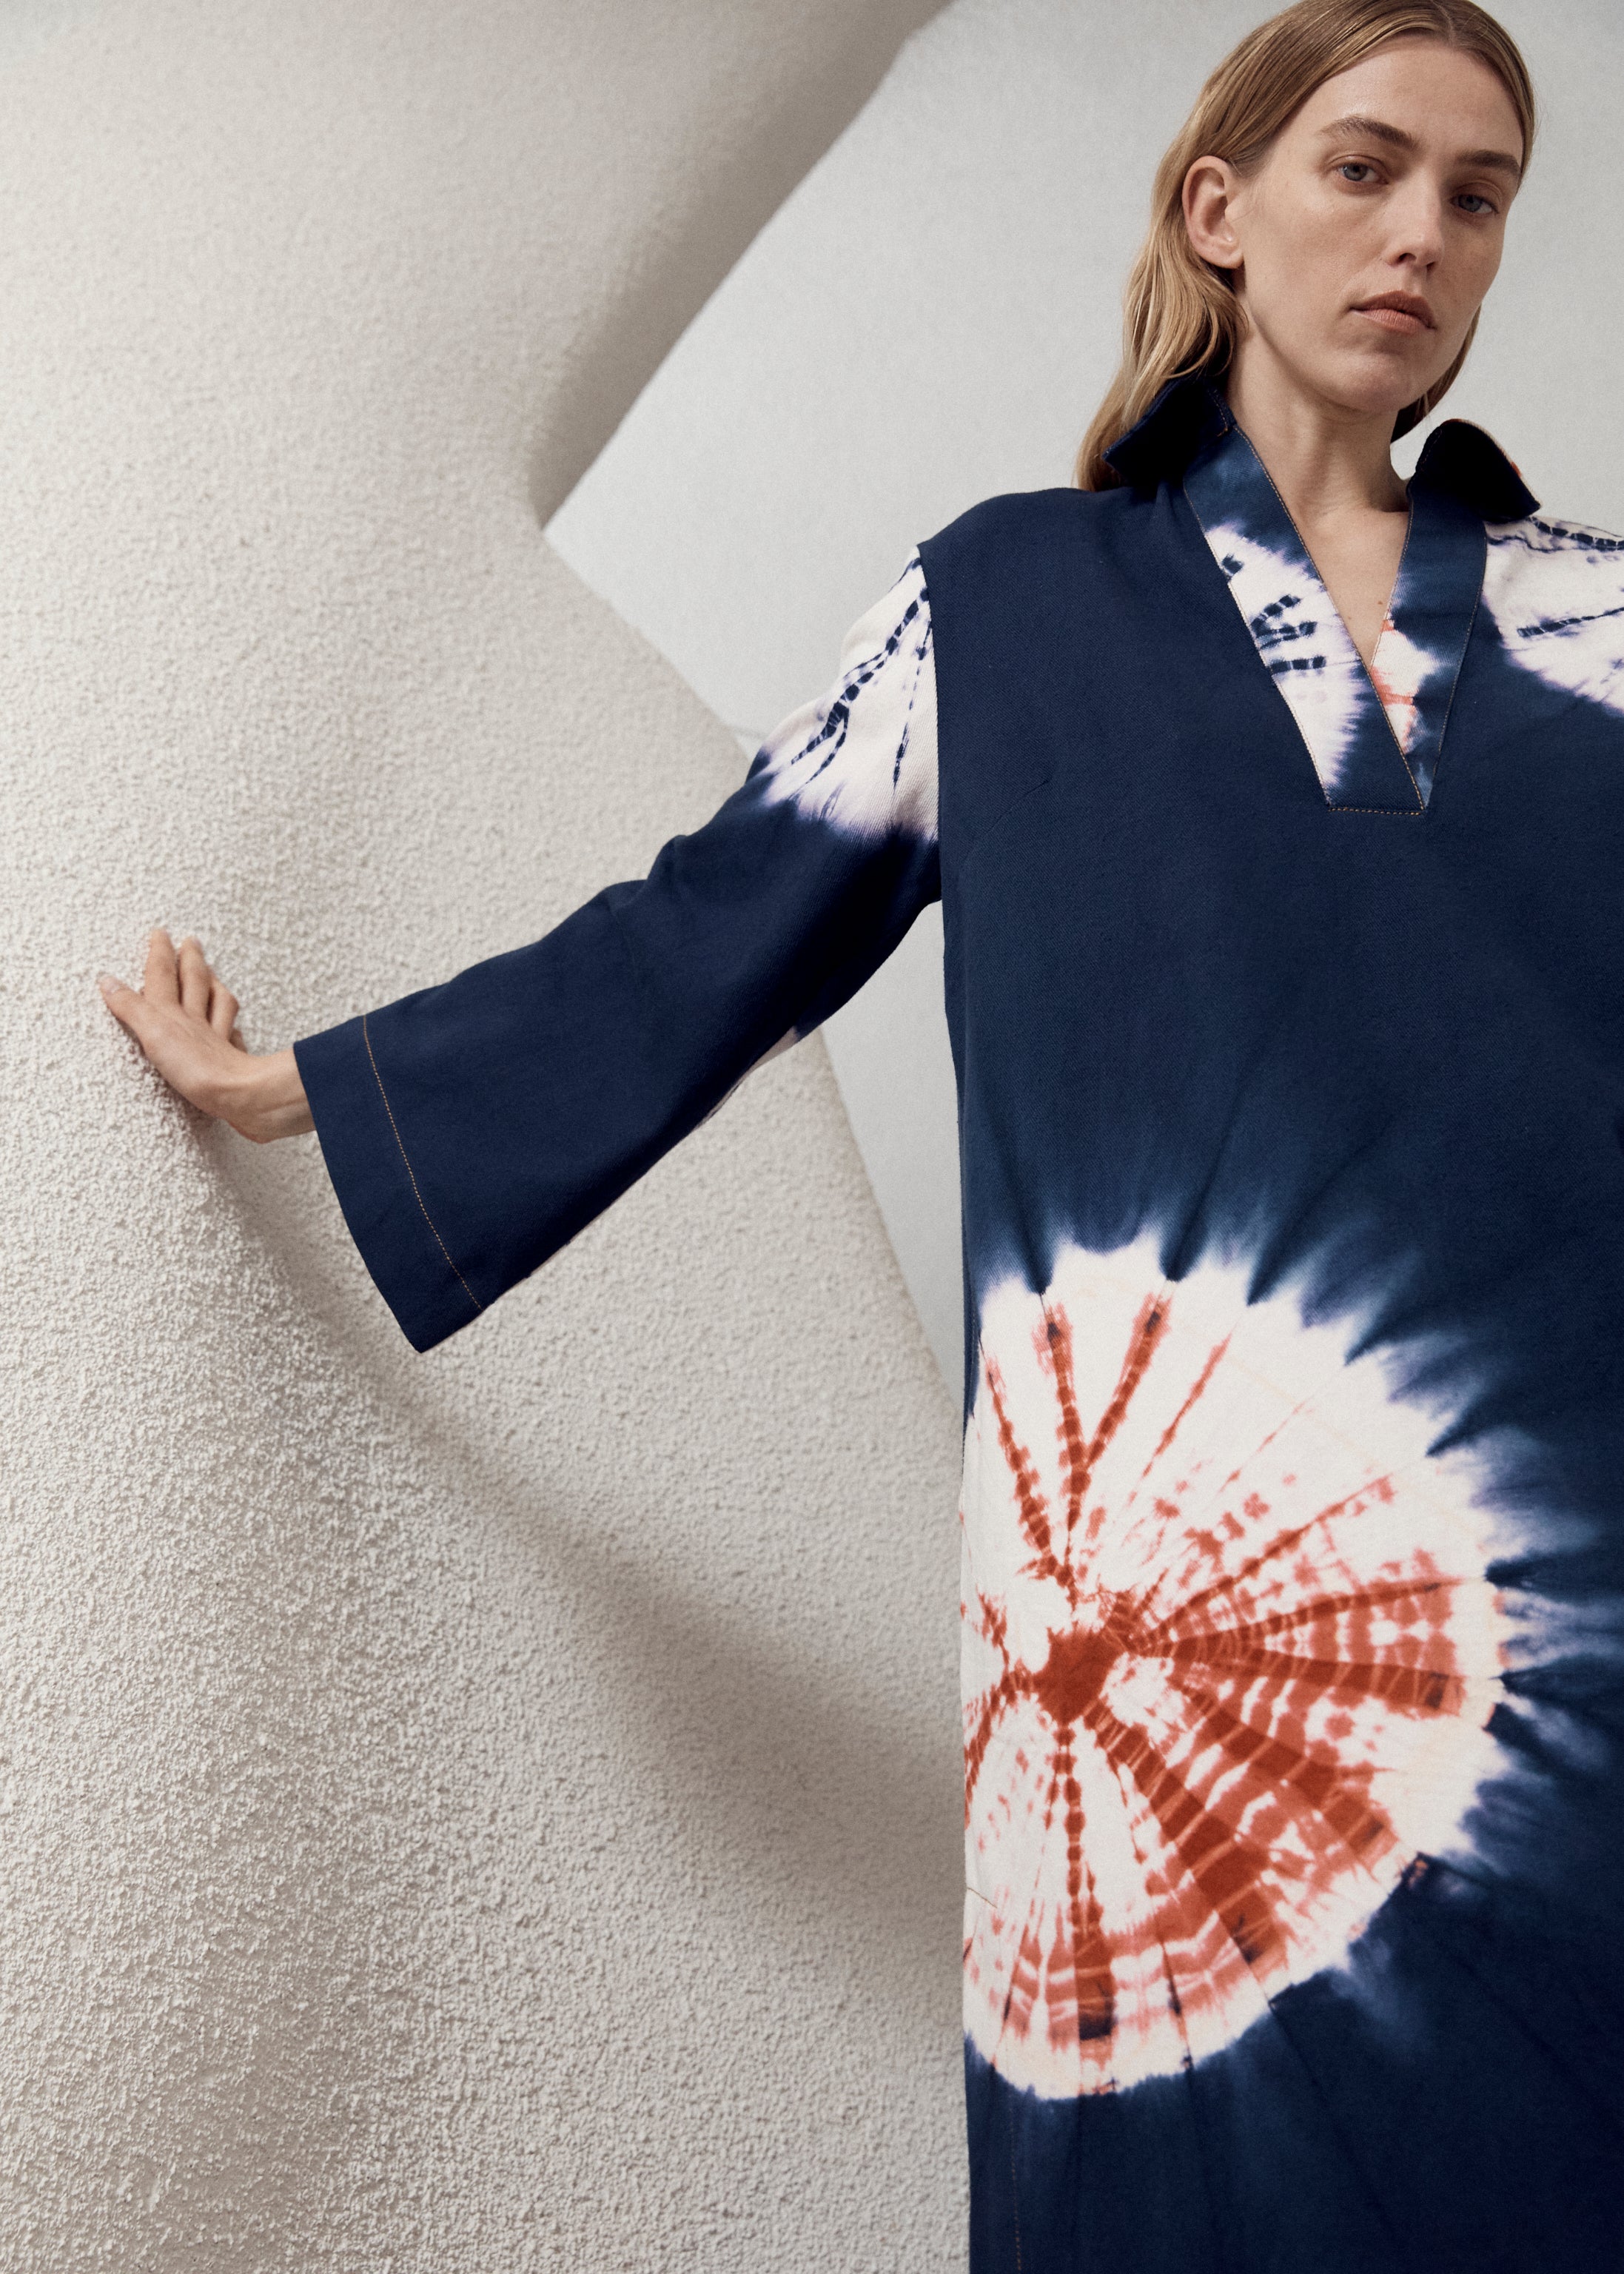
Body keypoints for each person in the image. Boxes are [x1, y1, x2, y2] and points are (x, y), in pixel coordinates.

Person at [100, 1, 1624, 2265]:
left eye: (1473, 197)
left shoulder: (1598, 615)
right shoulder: (997, 612)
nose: (1419, 232)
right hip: (1146, 1641)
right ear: (1218, 208)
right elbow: (715, 926)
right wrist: (313, 1085)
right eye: (1362, 166)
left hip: (1575, 1579)